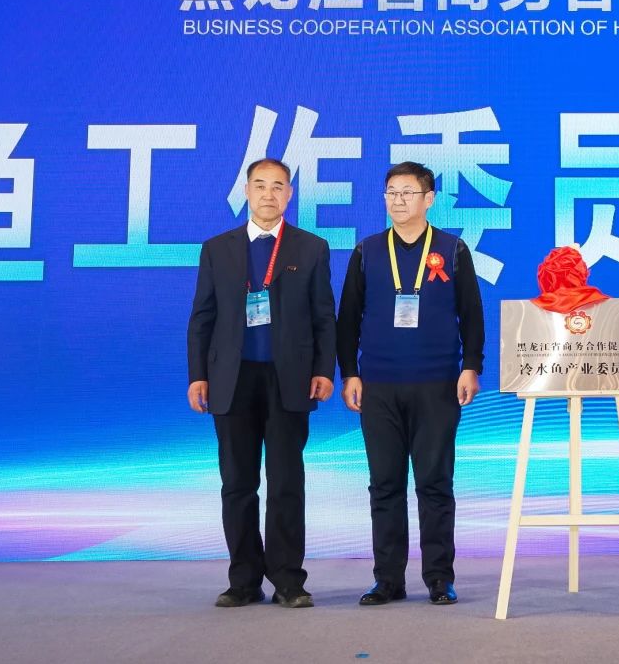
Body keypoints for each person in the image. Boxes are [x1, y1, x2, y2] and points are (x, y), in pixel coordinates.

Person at [186, 157, 336, 609]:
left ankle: (288, 580)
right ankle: (244, 580)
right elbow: (202, 317)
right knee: (237, 483)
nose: (268, 194)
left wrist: (323, 369)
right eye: (260, 185)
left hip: (289, 379)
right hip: (231, 380)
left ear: (290, 194)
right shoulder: (217, 248)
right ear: (246, 192)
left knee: (286, 482)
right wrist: (198, 375)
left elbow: (324, 316)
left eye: (278, 186)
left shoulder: (311, 248)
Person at [337, 162, 484, 606]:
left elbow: (471, 314)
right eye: (391, 192)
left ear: (429, 199)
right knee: (384, 484)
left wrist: (470, 366)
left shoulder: (452, 249)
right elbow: (348, 318)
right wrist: (350, 372)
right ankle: (388, 580)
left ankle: (439, 577)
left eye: (407, 192)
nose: (398, 200)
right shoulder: (367, 251)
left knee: (434, 483)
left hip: (437, 383)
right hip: (378, 385)